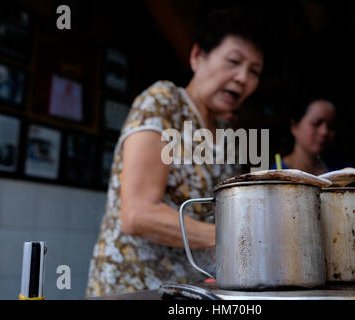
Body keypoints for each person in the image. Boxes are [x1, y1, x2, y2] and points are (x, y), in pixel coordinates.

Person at [86, 7, 271, 297]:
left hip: (190, 294)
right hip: (133, 289)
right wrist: (232, 239)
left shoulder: (229, 136)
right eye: (233, 61)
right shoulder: (164, 102)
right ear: (197, 56)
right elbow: (138, 214)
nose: (242, 78)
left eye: (254, 71)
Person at [272, 96, 341, 175]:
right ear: (294, 126)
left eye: (331, 126)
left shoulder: (340, 170)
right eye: (316, 123)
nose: (324, 132)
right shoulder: (277, 173)